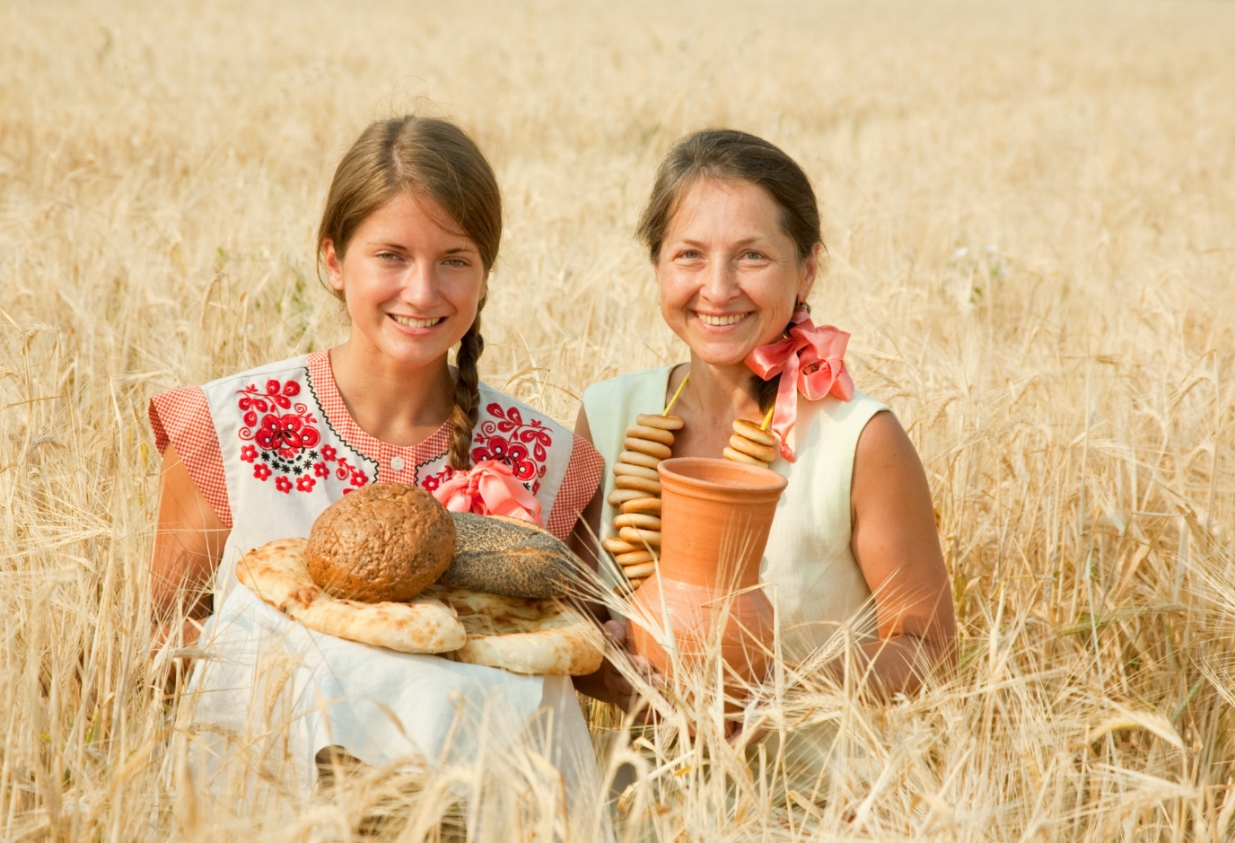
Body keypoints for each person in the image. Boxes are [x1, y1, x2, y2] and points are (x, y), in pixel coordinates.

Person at [148, 115, 606, 809]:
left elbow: (572, 659)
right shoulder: (227, 427)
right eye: (390, 255)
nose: (422, 291)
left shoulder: (547, 461)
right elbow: (163, 640)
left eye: (454, 259)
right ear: (332, 260)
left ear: (485, 274)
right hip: (269, 812)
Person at [573, 129, 956, 785]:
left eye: (751, 256)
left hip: (825, 808)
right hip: (647, 800)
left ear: (806, 268)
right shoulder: (606, 416)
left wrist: (780, 688)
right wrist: (619, 674)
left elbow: (928, 646)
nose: (717, 289)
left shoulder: (857, 437)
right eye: (688, 255)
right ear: (657, 264)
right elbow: (572, 623)